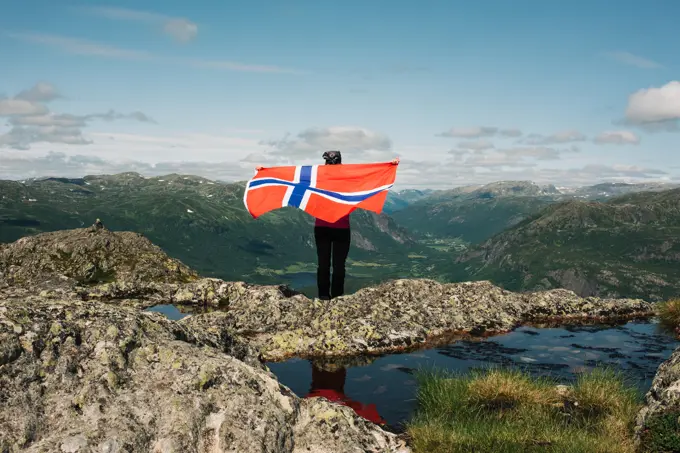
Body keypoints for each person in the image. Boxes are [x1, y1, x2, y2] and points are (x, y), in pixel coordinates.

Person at [256, 151, 399, 300]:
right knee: (337, 266)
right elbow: (369, 178)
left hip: (324, 228)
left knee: (325, 265)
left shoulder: (318, 178)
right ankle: (334, 296)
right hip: (339, 229)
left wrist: (265, 173)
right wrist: (264, 171)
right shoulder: (347, 179)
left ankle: (326, 296)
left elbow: (290, 178)